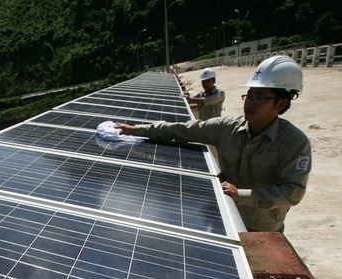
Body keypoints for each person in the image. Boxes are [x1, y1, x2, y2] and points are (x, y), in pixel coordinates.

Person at [115, 55, 310, 233]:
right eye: (249, 95)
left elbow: (292, 192)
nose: (250, 103)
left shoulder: (294, 143)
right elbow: (182, 129)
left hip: (261, 227)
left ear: (281, 104)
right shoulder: (227, 128)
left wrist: (240, 195)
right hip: (224, 217)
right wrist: (136, 129)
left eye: (260, 98)